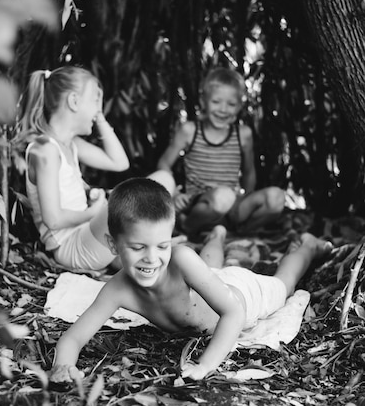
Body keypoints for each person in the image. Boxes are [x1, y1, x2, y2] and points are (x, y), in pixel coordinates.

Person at [49, 178, 331, 386]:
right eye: (138, 248)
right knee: (209, 270)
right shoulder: (117, 289)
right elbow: (73, 338)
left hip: (242, 296)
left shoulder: (181, 258)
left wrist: (205, 365)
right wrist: (62, 366)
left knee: (284, 285)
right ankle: (217, 237)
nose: (151, 258)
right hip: (208, 283)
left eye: (162, 246)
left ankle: (308, 247)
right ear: (113, 245)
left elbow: (234, 312)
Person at [20, 65, 174, 272]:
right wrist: (94, 211)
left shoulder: (70, 144)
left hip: (89, 234)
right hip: (72, 247)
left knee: (163, 179)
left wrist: (99, 117)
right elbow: (54, 220)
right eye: (95, 101)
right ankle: (153, 247)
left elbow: (119, 163)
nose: (99, 109)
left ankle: (143, 251)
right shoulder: (45, 149)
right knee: (136, 196)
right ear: (74, 101)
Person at [157, 67, 286, 236]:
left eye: (231, 104)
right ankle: (187, 227)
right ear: (203, 102)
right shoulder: (190, 130)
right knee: (222, 197)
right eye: (216, 102)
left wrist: (245, 199)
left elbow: (249, 172)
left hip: (232, 205)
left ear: (239, 106)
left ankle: (240, 232)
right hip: (200, 205)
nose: (223, 109)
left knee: (276, 198)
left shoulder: (243, 134)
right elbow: (164, 163)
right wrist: (174, 194)